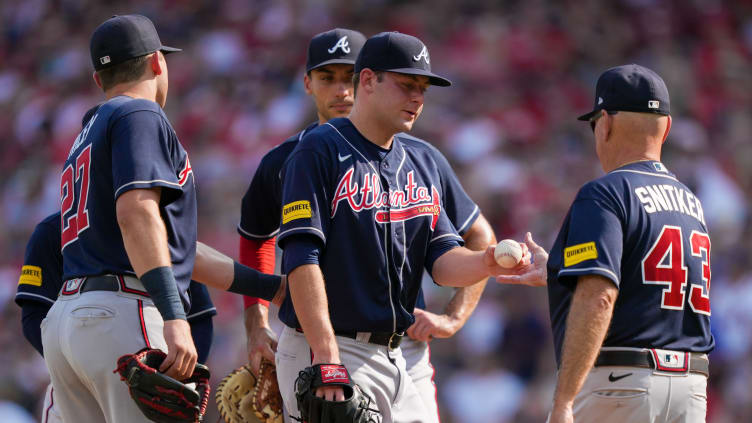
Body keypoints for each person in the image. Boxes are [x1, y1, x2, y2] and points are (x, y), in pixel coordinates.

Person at [275, 31, 540, 423]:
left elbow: (443, 262)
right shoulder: (318, 150)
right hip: (335, 347)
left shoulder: (419, 162)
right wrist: (327, 356)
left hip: (404, 356)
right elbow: (301, 259)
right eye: (406, 85)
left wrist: (487, 262)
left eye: (423, 88)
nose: (417, 97)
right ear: (367, 80)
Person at [41, 15, 284, 422]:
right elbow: (137, 215)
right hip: (124, 311)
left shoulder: (89, 131)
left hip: (70, 322)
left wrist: (271, 287)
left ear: (99, 79)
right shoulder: (139, 114)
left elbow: (171, 247)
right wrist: (173, 315)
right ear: (157, 62)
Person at [502, 64, 714, 423]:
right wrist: (559, 270)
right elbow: (646, 285)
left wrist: (564, 399)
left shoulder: (605, 193)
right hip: (690, 389)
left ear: (607, 122)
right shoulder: (691, 203)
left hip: (621, 385)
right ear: (666, 129)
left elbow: (599, 296)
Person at [16, 211, 216, 423]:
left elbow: (200, 315)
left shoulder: (158, 223)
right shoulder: (55, 228)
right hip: (74, 380)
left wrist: (181, 374)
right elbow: (34, 314)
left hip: (154, 368)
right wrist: (77, 365)